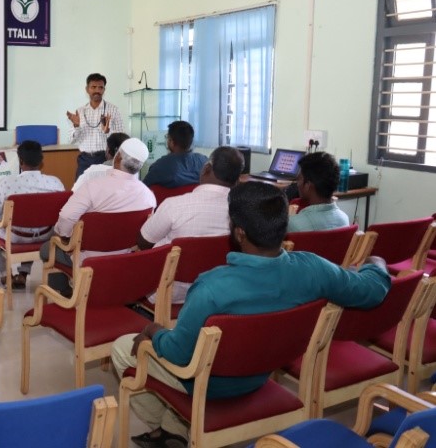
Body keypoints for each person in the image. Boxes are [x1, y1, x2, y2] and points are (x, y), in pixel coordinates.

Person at [111, 181, 391, 448]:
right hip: (262, 371)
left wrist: (153, 330)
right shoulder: (313, 268)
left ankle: (176, 425)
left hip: (210, 383)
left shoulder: (211, 286)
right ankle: (174, 427)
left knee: (125, 347)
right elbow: (372, 290)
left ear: (239, 232)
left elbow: (179, 354)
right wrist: (376, 262)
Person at [40, 138, 156, 292]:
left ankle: (67, 295)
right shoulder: (148, 196)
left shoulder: (93, 186)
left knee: (47, 248)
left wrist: (64, 238)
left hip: (86, 259)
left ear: (118, 157)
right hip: (125, 258)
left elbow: (67, 217)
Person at [137, 146, 244, 304]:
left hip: (168, 292)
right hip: (220, 290)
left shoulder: (175, 205)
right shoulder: (243, 211)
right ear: (237, 180)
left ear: (206, 168)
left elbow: (143, 242)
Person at [0, 140, 65, 289]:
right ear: (41, 161)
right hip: (47, 234)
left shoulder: (8, 183)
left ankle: (5, 275)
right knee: (33, 220)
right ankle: (23, 274)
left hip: (16, 236)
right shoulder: (55, 183)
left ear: (20, 160)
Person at [66, 73, 124, 179]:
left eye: (100, 87)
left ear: (104, 90)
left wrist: (108, 132)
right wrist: (76, 126)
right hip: (84, 160)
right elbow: (71, 141)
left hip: (105, 159)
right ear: (87, 89)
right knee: (81, 192)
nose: (97, 90)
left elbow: (121, 140)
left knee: (105, 192)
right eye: (93, 87)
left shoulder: (113, 110)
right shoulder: (79, 112)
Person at [288, 151, 350, 232]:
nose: (297, 184)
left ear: (307, 185)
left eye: (299, 179)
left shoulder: (294, 224)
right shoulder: (344, 219)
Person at [143, 121, 208, 188]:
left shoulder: (161, 165)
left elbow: (143, 187)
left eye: (167, 137)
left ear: (172, 142)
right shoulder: (204, 162)